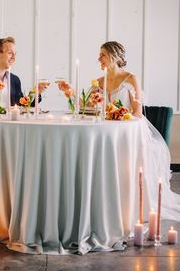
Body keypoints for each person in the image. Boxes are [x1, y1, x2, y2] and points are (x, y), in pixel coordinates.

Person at [59, 41, 180, 221]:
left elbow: (138, 113)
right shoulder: (99, 82)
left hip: (129, 131)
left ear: (114, 57)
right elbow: (85, 107)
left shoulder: (131, 79)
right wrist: (72, 93)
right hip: (107, 133)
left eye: (102, 55)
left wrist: (118, 115)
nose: (98, 58)